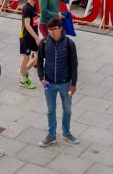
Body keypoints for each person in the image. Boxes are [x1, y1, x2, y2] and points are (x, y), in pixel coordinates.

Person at [37, 18, 79, 147]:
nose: (52, 32)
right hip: (49, 84)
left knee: (67, 110)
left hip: (65, 84)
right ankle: (51, 135)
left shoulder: (69, 44)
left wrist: (73, 84)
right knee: (51, 110)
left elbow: (74, 65)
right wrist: (41, 78)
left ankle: (66, 132)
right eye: (50, 30)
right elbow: (39, 61)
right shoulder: (44, 42)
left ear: (60, 28)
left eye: (54, 29)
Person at [19, 0, 41, 89]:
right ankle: (23, 80)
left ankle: (24, 70)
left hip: (33, 35)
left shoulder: (34, 5)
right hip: (26, 37)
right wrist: (36, 37)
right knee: (26, 58)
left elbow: (34, 22)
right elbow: (27, 25)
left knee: (39, 56)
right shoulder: (26, 8)